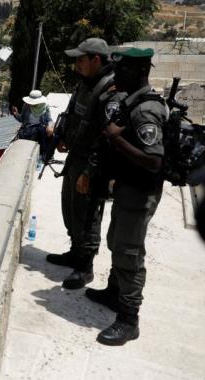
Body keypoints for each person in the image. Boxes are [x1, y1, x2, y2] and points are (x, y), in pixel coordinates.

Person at [84, 48, 167, 346]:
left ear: (137, 72)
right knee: (116, 241)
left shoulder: (145, 110)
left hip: (139, 191)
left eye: (121, 72)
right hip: (127, 188)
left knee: (129, 253)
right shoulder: (133, 102)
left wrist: (115, 138)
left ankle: (129, 320)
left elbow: (153, 160)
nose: (116, 77)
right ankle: (113, 293)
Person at [46, 38, 115, 290]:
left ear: (96, 59)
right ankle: (75, 252)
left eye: (80, 59)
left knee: (88, 214)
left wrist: (90, 170)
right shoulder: (86, 84)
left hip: (92, 163)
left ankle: (85, 267)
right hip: (76, 156)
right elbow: (75, 115)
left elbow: (107, 134)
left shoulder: (109, 89)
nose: (76, 65)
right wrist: (64, 136)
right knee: (71, 207)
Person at [12, 90, 54, 159]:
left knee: (45, 133)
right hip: (29, 128)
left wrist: (50, 126)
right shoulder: (26, 106)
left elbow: (50, 119)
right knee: (32, 133)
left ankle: (44, 155)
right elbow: (22, 119)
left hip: (41, 128)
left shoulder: (45, 106)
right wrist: (16, 114)